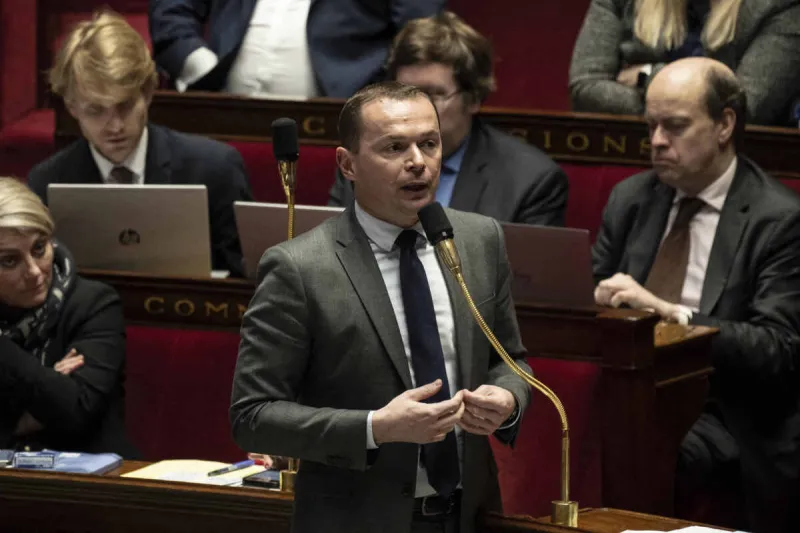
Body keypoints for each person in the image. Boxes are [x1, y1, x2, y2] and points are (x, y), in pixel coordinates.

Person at [230, 81, 531, 533]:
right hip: (357, 519)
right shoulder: (299, 268)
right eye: (394, 147)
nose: (418, 161)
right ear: (347, 164)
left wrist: (507, 398)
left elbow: (509, 361)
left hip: (468, 514)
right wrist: (375, 428)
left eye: (429, 144)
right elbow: (252, 416)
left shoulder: (478, 240)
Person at [592, 57, 800, 532]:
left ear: (724, 124)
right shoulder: (632, 198)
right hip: (627, 388)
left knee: (634, 443)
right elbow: (589, 295)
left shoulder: (779, 220)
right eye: (651, 126)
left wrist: (673, 315)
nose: (657, 141)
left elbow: (780, 350)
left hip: (725, 407)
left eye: (675, 126)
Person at [27, 10, 253, 277]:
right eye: (96, 111)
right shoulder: (46, 183)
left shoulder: (215, 170)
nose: (115, 126)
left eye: (124, 106)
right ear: (72, 107)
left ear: (147, 93)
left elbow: (245, 282)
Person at [329, 11, 568, 226]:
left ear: (473, 98)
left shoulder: (530, 181)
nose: (415, 110)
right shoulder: (362, 161)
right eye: (405, 94)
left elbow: (524, 262)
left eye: (433, 94)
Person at [0, 177, 134, 456]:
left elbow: (75, 411)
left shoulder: (93, 304)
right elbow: (56, 402)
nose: (34, 271)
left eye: (39, 248)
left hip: (89, 475)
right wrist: (50, 381)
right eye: (10, 260)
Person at [148, 0, 445, 99]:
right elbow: (171, 11)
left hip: (344, 120)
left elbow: (420, 33)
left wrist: (374, 97)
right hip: (223, 110)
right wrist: (201, 68)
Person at [569, 0, 800, 126]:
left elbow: (745, 110)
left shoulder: (779, 6)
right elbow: (585, 88)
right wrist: (697, 111)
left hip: (735, 169)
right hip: (632, 150)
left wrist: (647, 76)